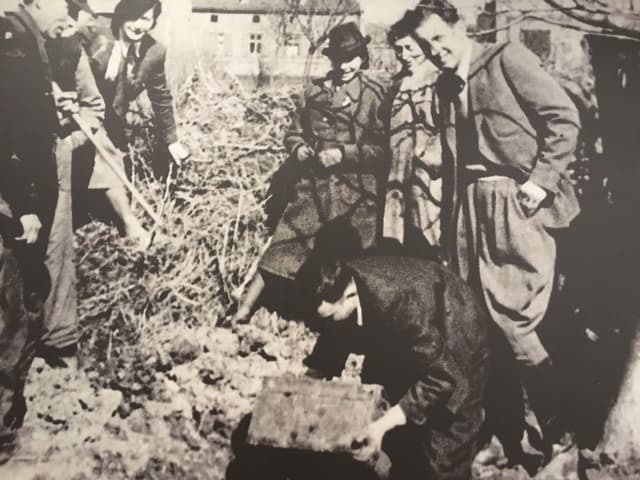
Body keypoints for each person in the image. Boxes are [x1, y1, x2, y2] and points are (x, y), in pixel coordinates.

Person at [412, 0, 581, 468]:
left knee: (515, 322)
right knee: (478, 326)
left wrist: (540, 183)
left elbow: (564, 120)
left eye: (440, 41)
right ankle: (504, 434)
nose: (436, 52)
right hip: (468, 209)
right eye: (426, 47)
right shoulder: (446, 85)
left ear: (460, 27)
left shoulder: (506, 58)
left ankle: (561, 438)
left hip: (514, 204)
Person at [232, 22, 387, 324]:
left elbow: (381, 151)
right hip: (313, 185)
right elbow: (292, 133)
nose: (345, 66)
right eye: (339, 59)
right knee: (283, 244)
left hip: (355, 191)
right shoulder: (313, 91)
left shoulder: (373, 96)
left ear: (363, 58)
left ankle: (362, 326)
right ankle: (244, 310)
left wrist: (345, 153)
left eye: (352, 58)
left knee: (362, 260)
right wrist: (299, 148)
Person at [297, 246, 489, 480]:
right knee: (400, 436)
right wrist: (302, 390)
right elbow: (333, 334)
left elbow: (441, 377)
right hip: (412, 334)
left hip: (455, 330)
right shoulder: (340, 286)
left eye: (324, 319)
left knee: (445, 448)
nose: (316, 329)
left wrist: (380, 427)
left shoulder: (395, 300)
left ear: (349, 297)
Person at [83, 0, 190, 180]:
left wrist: (172, 141)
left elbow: (161, 97)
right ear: (124, 13)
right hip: (79, 117)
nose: (139, 25)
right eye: (134, 17)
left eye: (146, 19)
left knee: (116, 183)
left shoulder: (154, 52)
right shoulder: (95, 32)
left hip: (112, 124)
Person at [383, 10, 443, 259]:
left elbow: (446, 130)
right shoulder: (398, 84)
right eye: (399, 50)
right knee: (399, 244)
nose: (404, 56)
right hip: (397, 175)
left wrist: (426, 156)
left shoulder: (438, 80)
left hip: (427, 179)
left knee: (429, 241)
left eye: (409, 48)